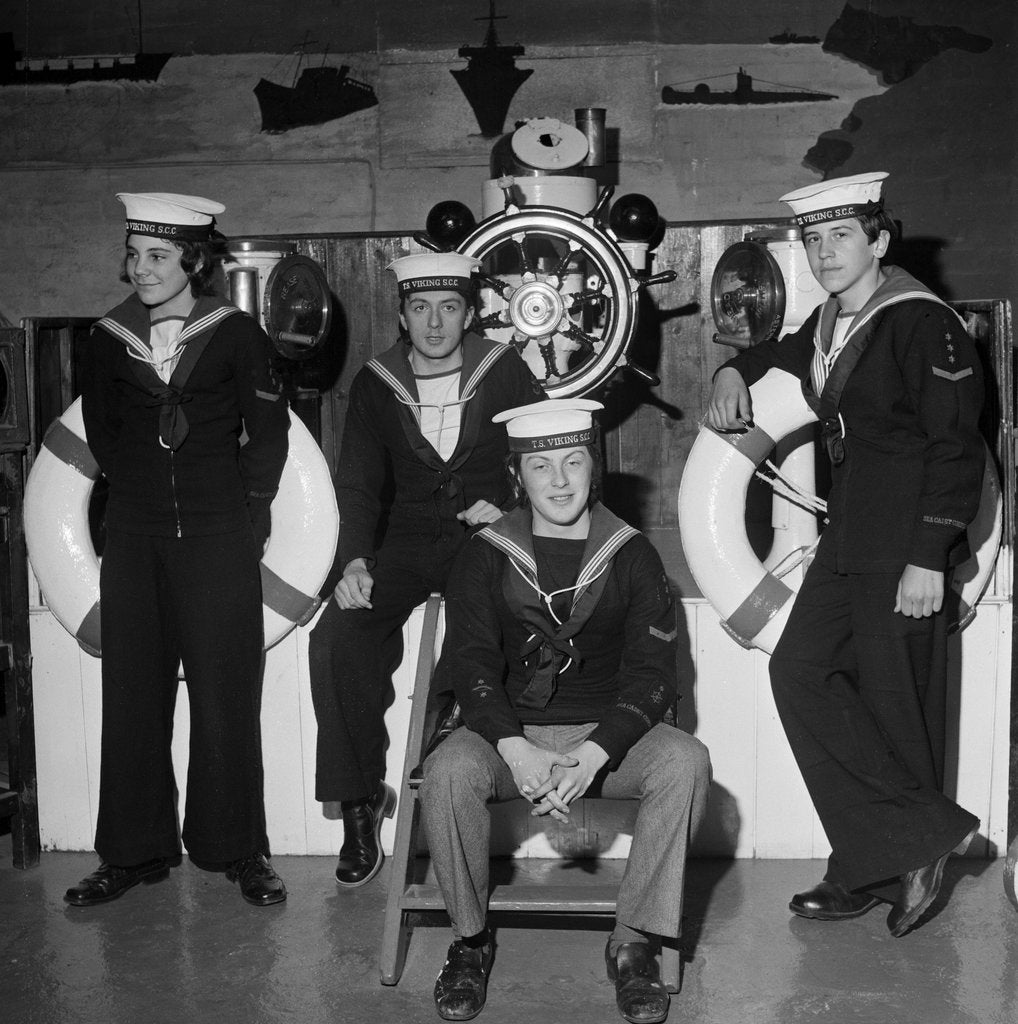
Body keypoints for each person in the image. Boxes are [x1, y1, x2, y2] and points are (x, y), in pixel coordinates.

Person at [707, 172, 985, 936]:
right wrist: (733, 365)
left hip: (903, 545)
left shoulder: (922, 323)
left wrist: (930, 554)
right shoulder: (836, 318)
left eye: (840, 237)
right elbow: (792, 348)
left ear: (879, 242)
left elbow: (956, 447)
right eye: (814, 239)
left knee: (896, 707)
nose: (825, 253)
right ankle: (897, 844)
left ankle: (888, 859)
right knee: (800, 673)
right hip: (848, 540)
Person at [420, 399, 712, 1023]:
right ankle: (471, 941)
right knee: (447, 774)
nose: (559, 480)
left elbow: (653, 675)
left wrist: (595, 752)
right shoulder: (486, 555)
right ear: (517, 476)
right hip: (507, 734)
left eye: (573, 461)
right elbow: (470, 666)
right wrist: (514, 746)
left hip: (608, 737)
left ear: (593, 468)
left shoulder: (631, 554)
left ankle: (633, 941)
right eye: (542, 465)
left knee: (685, 762)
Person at [66, 192, 290, 908]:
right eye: (134, 256)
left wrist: (243, 514)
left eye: (158, 256)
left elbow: (269, 435)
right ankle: (133, 854)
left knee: (227, 697)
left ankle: (237, 849)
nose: (142, 269)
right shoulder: (105, 338)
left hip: (218, 535)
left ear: (194, 260)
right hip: (133, 538)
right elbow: (103, 434)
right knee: (132, 696)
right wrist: (134, 504)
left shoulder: (236, 334)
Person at [308, 252, 545, 888]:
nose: (434, 324)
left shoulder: (503, 371)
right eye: (420, 308)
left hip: (482, 534)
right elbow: (356, 481)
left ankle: (445, 734)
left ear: (470, 313)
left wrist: (514, 503)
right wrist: (353, 560)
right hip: (402, 540)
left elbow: (550, 448)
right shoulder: (375, 382)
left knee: (477, 624)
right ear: (404, 314)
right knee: (336, 639)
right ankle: (359, 803)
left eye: (448, 309)